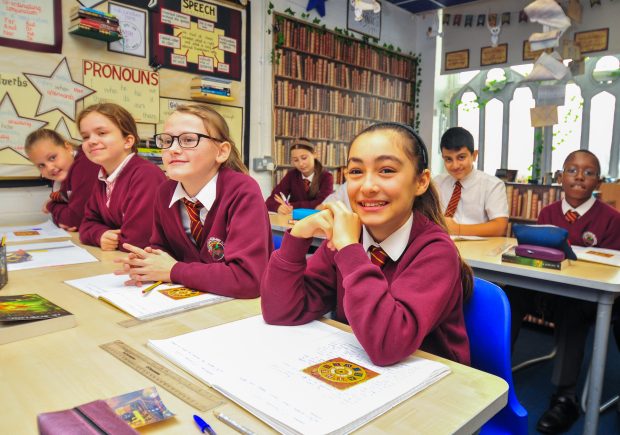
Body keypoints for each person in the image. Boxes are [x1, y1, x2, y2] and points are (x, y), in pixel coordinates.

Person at [260, 122, 472, 366]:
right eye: (356, 172)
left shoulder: (435, 250)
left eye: (387, 170)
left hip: (435, 384)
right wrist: (297, 239)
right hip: (363, 370)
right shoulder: (350, 237)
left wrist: (350, 251)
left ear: (421, 182)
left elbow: (387, 344)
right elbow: (281, 311)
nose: (368, 186)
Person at [507, 150, 620, 434]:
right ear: (560, 177)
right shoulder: (547, 213)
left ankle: (564, 397)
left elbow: (612, 270)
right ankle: (491, 369)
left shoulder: (611, 219)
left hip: (585, 299)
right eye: (572, 170)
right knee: (509, 295)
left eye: (589, 172)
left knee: (573, 305)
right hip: (546, 292)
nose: (580, 176)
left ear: (598, 182)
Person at [115, 104, 272, 298]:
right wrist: (147, 262)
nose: (172, 149)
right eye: (166, 140)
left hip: (239, 310)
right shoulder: (164, 192)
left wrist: (173, 270)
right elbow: (164, 248)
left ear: (221, 152)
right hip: (194, 301)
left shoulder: (242, 191)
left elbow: (247, 280)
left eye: (188, 140)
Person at [77, 103, 166, 251]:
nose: (91, 141)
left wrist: (106, 236)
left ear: (128, 141)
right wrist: (100, 235)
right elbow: (85, 225)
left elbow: (137, 242)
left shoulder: (146, 175)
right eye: (85, 136)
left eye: (102, 133)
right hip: (120, 260)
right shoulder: (103, 177)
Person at [434, 127, 508, 236]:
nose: (455, 166)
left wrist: (456, 229)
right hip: (441, 244)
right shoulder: (437, 183)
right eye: (448, 159)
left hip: (479, 248)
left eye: (461, 157)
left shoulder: (493, 185)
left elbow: (500, 227)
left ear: (474, 156)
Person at [24, 128, 99, 231]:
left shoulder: (85, 164)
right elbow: (63, 220)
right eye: (41, 165)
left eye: (52, 157)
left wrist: (50, 205)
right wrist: (63, 218)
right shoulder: (62, 171)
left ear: (67, 148)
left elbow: (75, 219)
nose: (49, 168)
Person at [265, 138, 333, 214]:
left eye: (304, 158)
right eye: (296, 160)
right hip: (295, 222)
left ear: (314, 154)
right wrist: (278, 207)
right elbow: (270, 201)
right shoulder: (291, 175)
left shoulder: (326, 177)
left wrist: (291, 206)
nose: (301, 164)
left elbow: (322, 204)